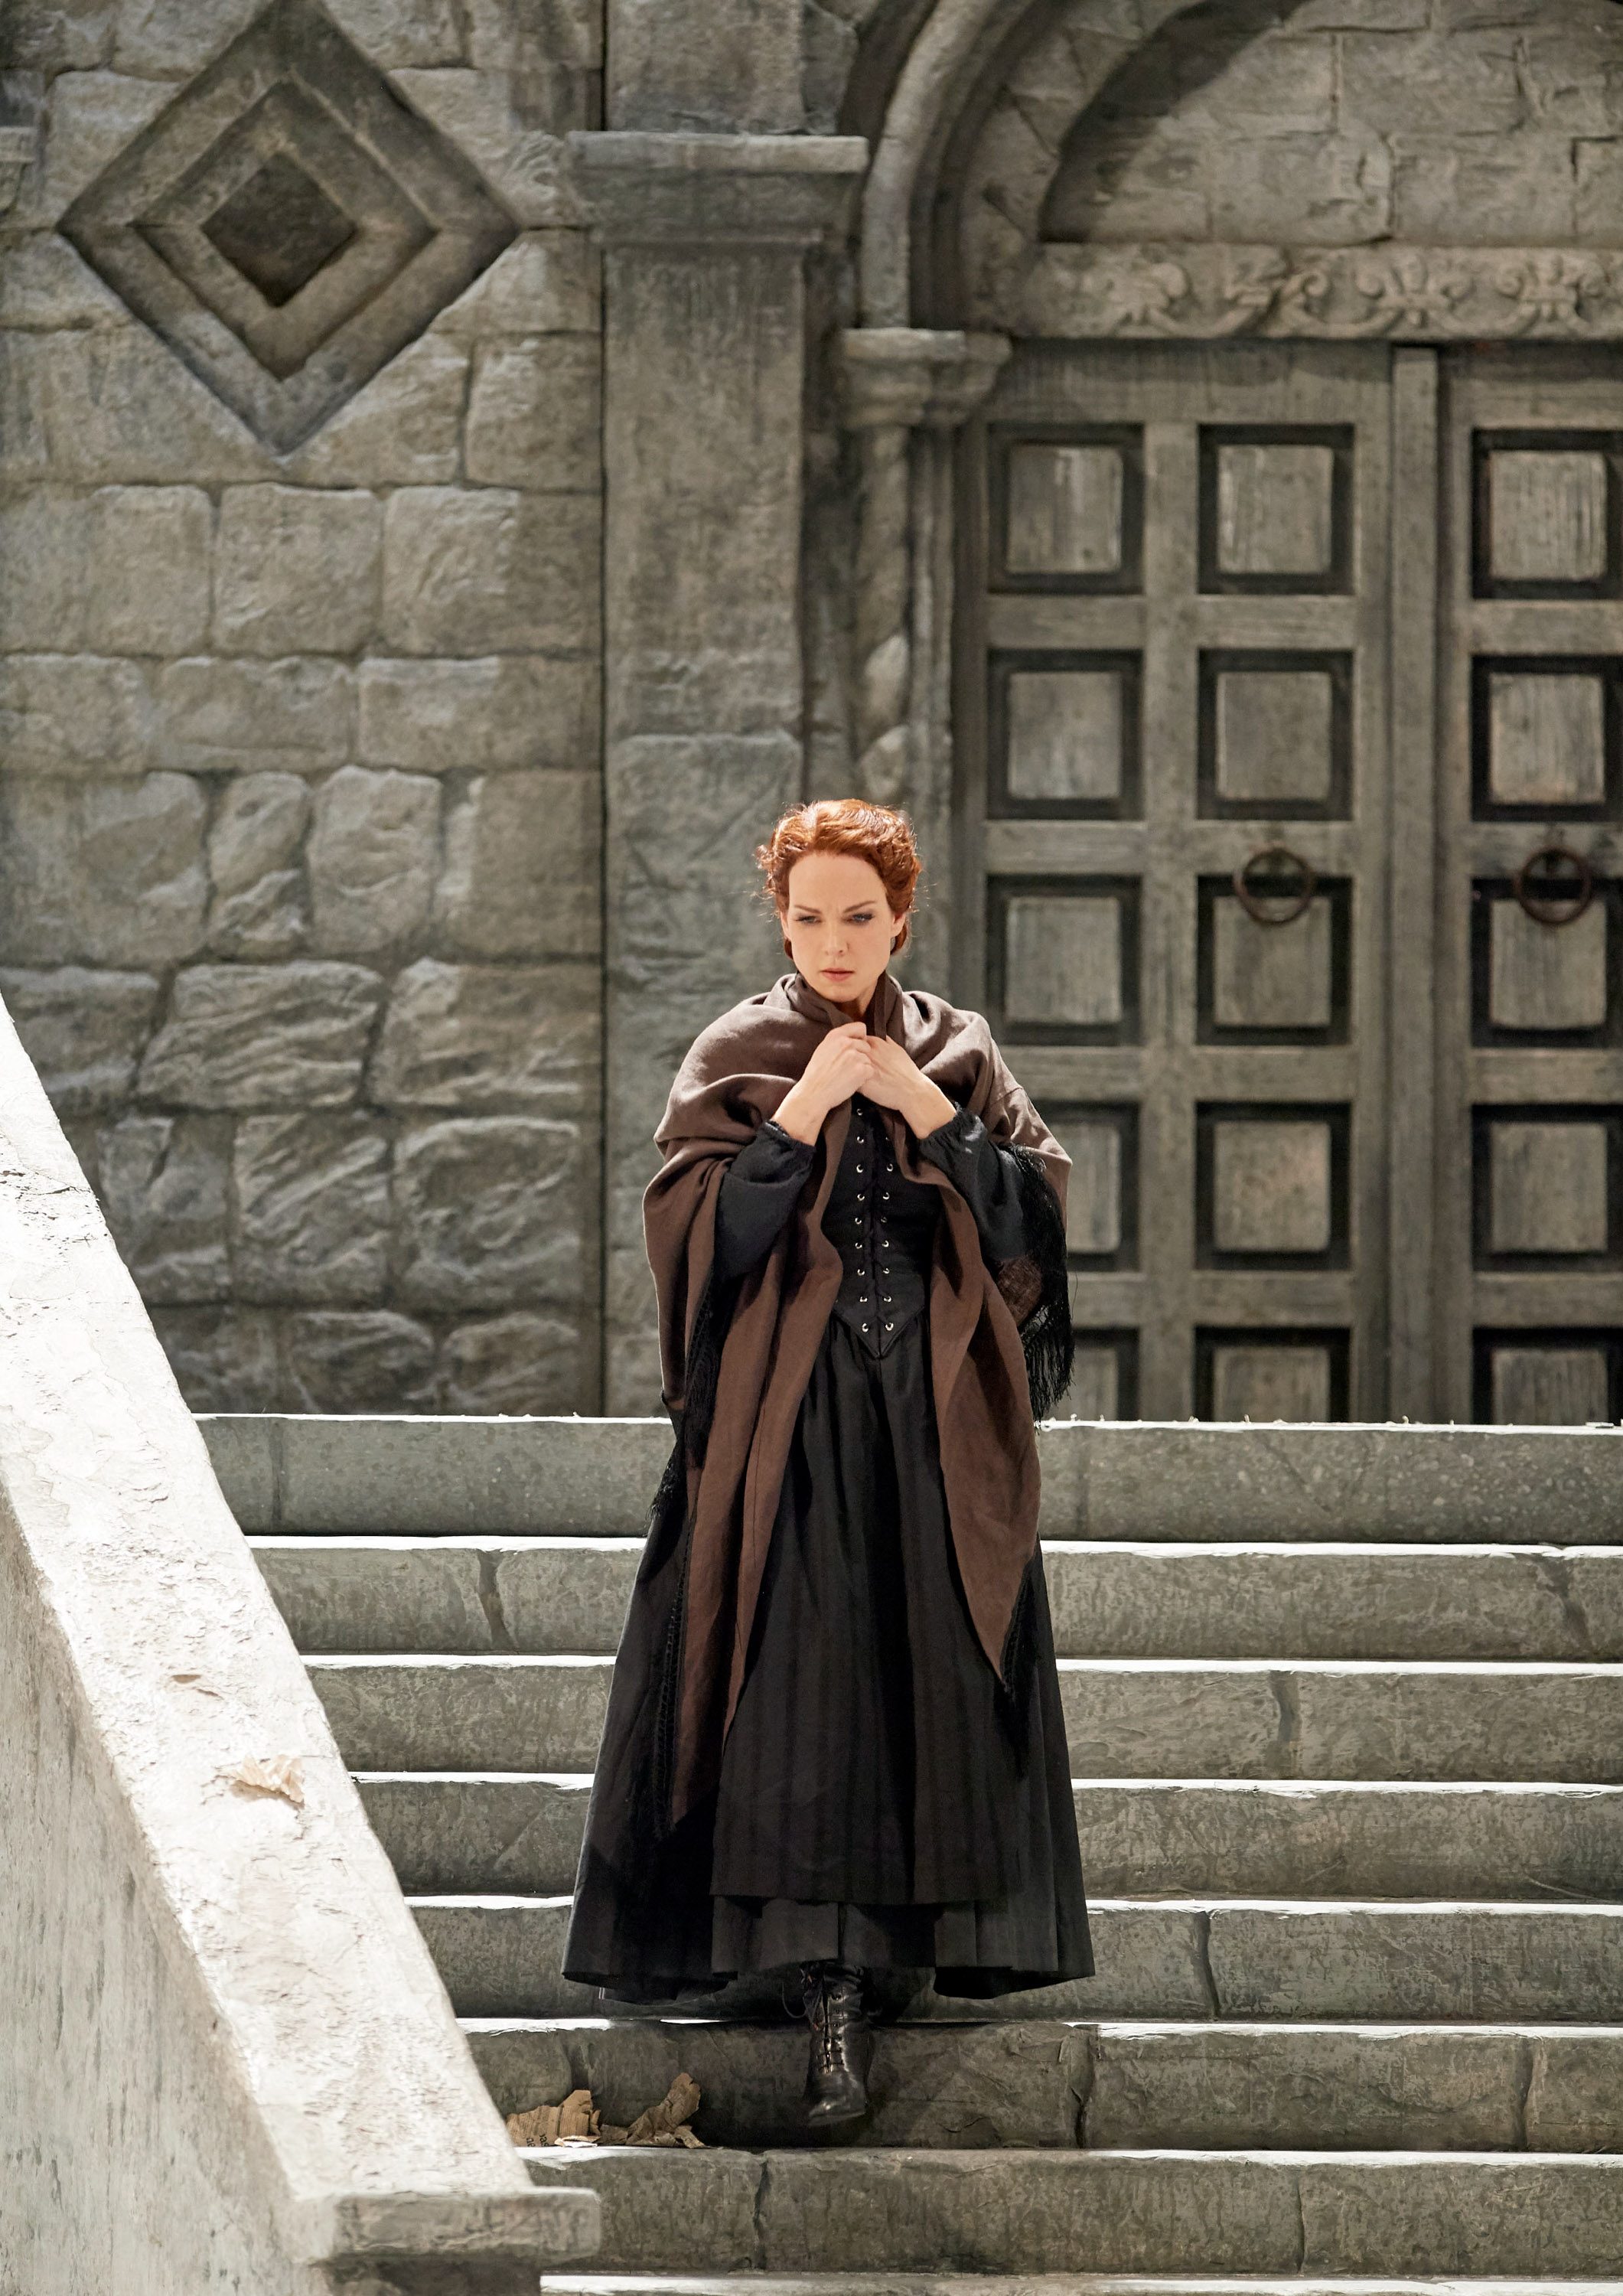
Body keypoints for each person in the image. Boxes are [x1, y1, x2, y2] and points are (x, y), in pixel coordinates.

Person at [563, 798, 1092, 2128]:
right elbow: (701, 1245)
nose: (835, 939)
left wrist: (921, 1103)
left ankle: (895, 1956)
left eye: (860, 916)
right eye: (810, 916)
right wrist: (801, 1110)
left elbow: (1035, 1216)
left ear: (899, 918)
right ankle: (818, 1980)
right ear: (781, 920)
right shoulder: (739, 1049)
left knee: (918, 1672)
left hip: (930, 1417)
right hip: (781, 1426)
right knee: (797, 1682)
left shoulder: (956, 1048)